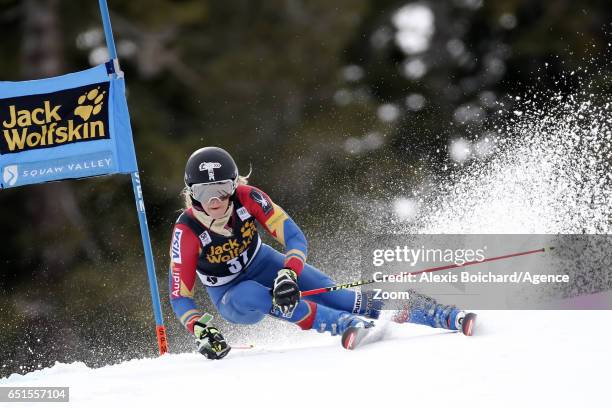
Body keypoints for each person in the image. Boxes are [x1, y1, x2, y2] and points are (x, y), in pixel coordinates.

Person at [169, 146, 476, 359]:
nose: (214, 200)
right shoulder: (187, 232)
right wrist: (201, 329)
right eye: (203, 192)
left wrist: (288, 272)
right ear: (191, 193)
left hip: (263, 262)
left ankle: (435, 313)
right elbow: (179, 295)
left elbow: (293, 236)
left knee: (341, 297)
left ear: (234, 186)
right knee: (251, 293)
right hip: (230, 296)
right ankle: (339, 324)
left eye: (221, 189)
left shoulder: (249, 199)